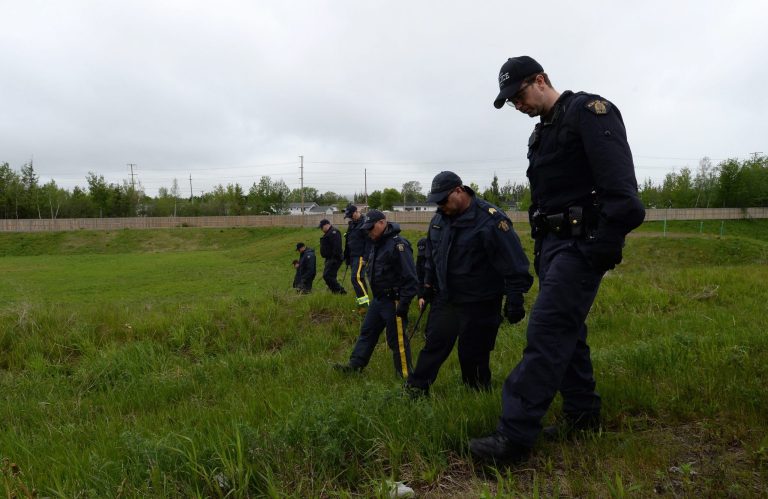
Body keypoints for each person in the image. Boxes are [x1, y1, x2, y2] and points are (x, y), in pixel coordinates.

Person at [469, 56, 646, 465]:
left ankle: (513, 440)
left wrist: (602, 245)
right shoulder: (541, 135)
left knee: (546, 334)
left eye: (518, 95)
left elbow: (624, 196)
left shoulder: (589, 112)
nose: (517, 105)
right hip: (553, 250)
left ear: (541, 80)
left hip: (581, 246)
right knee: (569, 334)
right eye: (510, 101)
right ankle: (583, 414)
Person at [404, 171, 533, 397]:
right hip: (447, 298)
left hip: (480, 301)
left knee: (473, 353)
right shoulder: (438, 220)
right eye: (437, 202)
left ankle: (477, 393)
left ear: (459, 191)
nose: (441, 206)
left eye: (444, 200)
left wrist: (515, 297)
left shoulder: (490, 220)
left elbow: (514, 261)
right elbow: (432, 258)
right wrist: (426, 286)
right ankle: (416, 389)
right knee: (434, 344)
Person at [334, 210, 418, 379]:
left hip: (394, 301)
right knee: (367, 333)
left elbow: (411, 278)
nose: (369, 231)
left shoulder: (398, 245)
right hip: (378, 300)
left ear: (382, 223)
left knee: (397, 341)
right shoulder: (376, 244)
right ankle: (355, 366)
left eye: (371, 228)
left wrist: (404, 303)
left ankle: (406, 378)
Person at [343, 204, 370, 312]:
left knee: (355, 278)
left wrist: (365, 257)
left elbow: (369, 242)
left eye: (350, 215)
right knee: (360, 279)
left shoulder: (364, 223)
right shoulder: (352, 224)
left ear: (355, 212)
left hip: (360, 256)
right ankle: (363, 303)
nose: (349, 217)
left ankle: (365, 306)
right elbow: (349, 241)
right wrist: (347, 257)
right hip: (353, 256)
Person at [319, 219, 347, 294]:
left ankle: (340, 291)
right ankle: (336, 292)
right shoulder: (329, 233)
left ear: (326, 225)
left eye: (322, 227)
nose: (321, 229)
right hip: (329, 258)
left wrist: (334, 258)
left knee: (327, 276)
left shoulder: (334, 232)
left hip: (334, 258)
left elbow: (337, 247)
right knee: (330, 276)